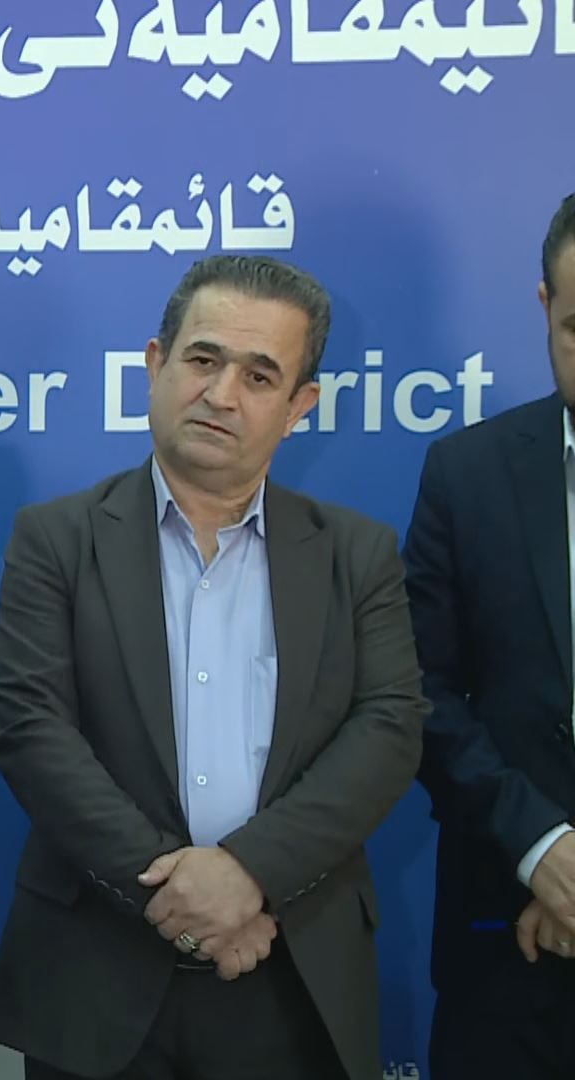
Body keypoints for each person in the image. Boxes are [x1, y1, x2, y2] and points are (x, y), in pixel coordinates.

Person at [0, 255, 426, 1080]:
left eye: (259, 376)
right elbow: (32, 732)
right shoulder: (56, 540)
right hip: (96, 974)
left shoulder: (356, 554)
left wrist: (249, 874)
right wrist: (186, 898)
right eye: (203, 359)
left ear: (300, 408)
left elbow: (389, 730)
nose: (221, 395)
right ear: (156, 364)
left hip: (289, 967)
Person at [403, 192, 575, 1077]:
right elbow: (419, 690)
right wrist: (542, 851)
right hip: (507, 950)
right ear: (544, 305)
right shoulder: (467, 473)